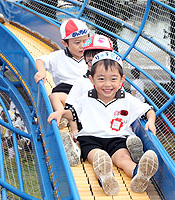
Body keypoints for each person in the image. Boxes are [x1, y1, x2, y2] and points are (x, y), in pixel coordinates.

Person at [48, 51, 158, 196]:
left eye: (113, 79)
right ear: (92, 80)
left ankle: (139, 174)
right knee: (97, 156)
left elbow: (148, 109)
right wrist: (61, 113)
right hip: (90, 137)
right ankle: (105, 177)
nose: (107, 84)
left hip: (117, 138)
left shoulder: (126, 99)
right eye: (101, 79)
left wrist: (151, 121)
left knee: (123, 158)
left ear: (121, 80)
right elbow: (73, 113)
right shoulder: (87, 98)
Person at [63, 35, 144, 166]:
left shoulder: (114, 84)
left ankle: (131, 145)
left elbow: (125, 104)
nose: (96, 63)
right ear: (85, 60)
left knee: (121, 125)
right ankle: (75, 150)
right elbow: (71, 109)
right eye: (90, 61)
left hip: (111, 127)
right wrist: (74, 130)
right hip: (90, 127)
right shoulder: (82, 83)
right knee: (83, 140)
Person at [34, 18, 90, 128]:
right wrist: (42, 71)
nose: (82, 46)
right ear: (65, 43)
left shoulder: (91, 56)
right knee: (54, 97)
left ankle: (75, 132)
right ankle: (62, 117)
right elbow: (40, 60)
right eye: (77, 43)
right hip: (65, 91)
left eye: (85, 41)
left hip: (83, 92)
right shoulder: (58, 56)